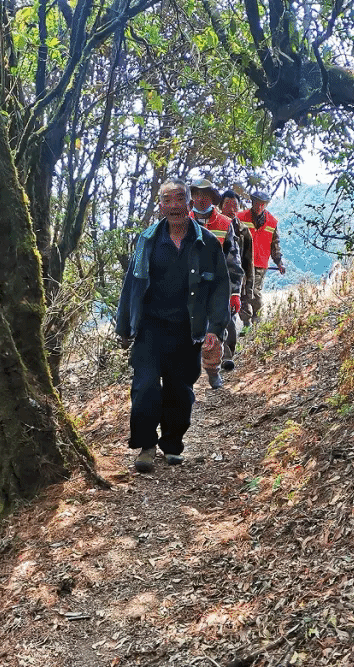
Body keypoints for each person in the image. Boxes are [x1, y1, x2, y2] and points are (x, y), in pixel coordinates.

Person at [115, 177, 230, 473]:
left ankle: (172, 444)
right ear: (161, 206)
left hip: (187, 330)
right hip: (150, 329)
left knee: (180, 391)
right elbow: (132, 284)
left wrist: (215, 329)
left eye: (180, 199)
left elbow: (220, 287)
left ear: (189, 203)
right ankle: (146, 445)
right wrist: (124, 327)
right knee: (145, 387)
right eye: (168, 200)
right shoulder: (148, 241)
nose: (174, 205)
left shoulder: (207, 244)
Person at [188, 178, 243, 389]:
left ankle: (213, 371)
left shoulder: (224, 224)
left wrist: (235, 293)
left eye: (205, 195)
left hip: (216, 288)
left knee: (215, 332)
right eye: (197, 195)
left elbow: (233, 261)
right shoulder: (181, 222)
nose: (201, 199)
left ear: (212, 198)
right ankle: (186, 378)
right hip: (188, 288)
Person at [236, 189, 285, 327]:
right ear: (252, 202)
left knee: (255, 292)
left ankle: (257, 317)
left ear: (266, 205)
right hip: (242, 262)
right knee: (243, 293)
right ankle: (246, 323)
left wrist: (279, 262)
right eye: (257, 203)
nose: (259, 206)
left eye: (263, 204)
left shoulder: (272, 222)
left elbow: (275, 245)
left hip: (260, 263)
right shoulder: (240, 218)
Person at [218, 189, 254, 366]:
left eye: (235, 206)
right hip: (212, 280)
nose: (231, 209)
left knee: (230, 321)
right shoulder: (214, 226)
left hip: (234, 282)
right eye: (227, 205)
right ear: (220, 206)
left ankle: (227, 355)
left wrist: (248, 290)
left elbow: (248, 263)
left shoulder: (244, 232)